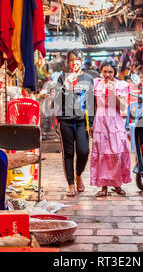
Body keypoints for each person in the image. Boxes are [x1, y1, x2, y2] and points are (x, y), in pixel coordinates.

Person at [54, 49, 95, 197]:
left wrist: (91, 122)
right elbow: (57, 100)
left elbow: (91, 101)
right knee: (68, 153)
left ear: (82, 61)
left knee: (84, 151)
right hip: (66, 120)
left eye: (77, 59)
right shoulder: (62, 78)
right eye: (71, 59)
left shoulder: (88, 78)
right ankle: (71, 184)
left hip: (82, 120)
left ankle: (78, 175)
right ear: (68, 62)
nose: (75, 62)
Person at [90, 58, 131, 197]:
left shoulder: (122, 85)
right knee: (101, 154)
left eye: (111, 72)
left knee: (117, 153)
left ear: (115, 72)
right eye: (105, 71)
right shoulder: (96, 83)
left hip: (116, 121)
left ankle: (117, 184)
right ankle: (103, 187)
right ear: (101, 71)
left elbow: (124, 107)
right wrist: (92, 123)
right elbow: (94, 105)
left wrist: (113, 92)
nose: (107, 75)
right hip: (100, 121)